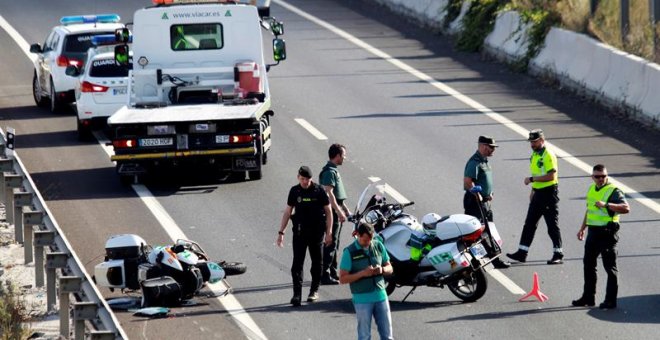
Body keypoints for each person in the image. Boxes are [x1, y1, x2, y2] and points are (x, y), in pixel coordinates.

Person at [572, 164, 629, 309]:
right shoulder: (591, 189)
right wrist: (582, 228)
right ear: (592, 177)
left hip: (608, 233)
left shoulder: (613, 190)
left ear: (606, 176)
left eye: (603, 176)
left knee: (610, 268)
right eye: (597, 176)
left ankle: (610, 300)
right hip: (593, 232)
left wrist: (607, 205)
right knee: (588, 265)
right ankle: (588, 297)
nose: (601, 179)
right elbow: (590, 210)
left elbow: (626, 208)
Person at [277, 166, 333, 306]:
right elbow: (288, 211)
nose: (304, 182)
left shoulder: (319, 191)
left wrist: (329, 232)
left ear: (311, 179)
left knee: (317, 264)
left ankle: (314, 291)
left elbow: (329, 211)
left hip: (317, 234)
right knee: (297, 265)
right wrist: (281, 232)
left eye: (307, 179)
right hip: (300, 233)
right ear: (298, 178)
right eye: (302, 179)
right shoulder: (294, 191)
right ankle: (297, 294)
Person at [507, 129, 564, 265]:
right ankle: (522, 252)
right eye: (531, 142)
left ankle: (558, 253)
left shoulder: (548, 154)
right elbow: (539, 173)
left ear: (542, 141)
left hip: (549, 193)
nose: (532, 144)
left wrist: (532, 179)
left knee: (551, 225)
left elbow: (551, 176)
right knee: (529, 224)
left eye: (535, 141)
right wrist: (533, 190)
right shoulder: (534, 155)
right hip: (538, 193)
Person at [339, 222, 394, 340]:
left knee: (388, 336)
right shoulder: (349, 252)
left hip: (381, 297)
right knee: (364, 336)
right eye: (365, 241)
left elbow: (390, 268)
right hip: (362, 299)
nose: (368, 243)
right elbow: (343, 278)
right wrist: (363, 273)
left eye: (370, 240)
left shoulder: (378, 246)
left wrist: (382, 269)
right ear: (358, 235)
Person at [463, 135, 510, 269]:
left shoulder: (484, 161)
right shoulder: (474, 162)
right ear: (483, 146)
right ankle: (472, 260)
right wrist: (478, 194)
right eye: (491, 147)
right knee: (475, 232)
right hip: (475, 202)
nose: (493, 150)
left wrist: (489, 194)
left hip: (484, 202)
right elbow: (468, 182)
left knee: (489, 230)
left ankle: (494, 259)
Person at [320, 143, 351, 285]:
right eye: (343, 155)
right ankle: (324, 274)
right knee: (330, 242)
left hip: (335, 210)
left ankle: (332, 271)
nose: (344, 158)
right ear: (337, 156)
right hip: (330, 213)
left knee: (335, 243)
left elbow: (337, 196)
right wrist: (338, 212)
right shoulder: (329, 172)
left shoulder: (333, 170)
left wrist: (345, 209)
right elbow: (329, 193)